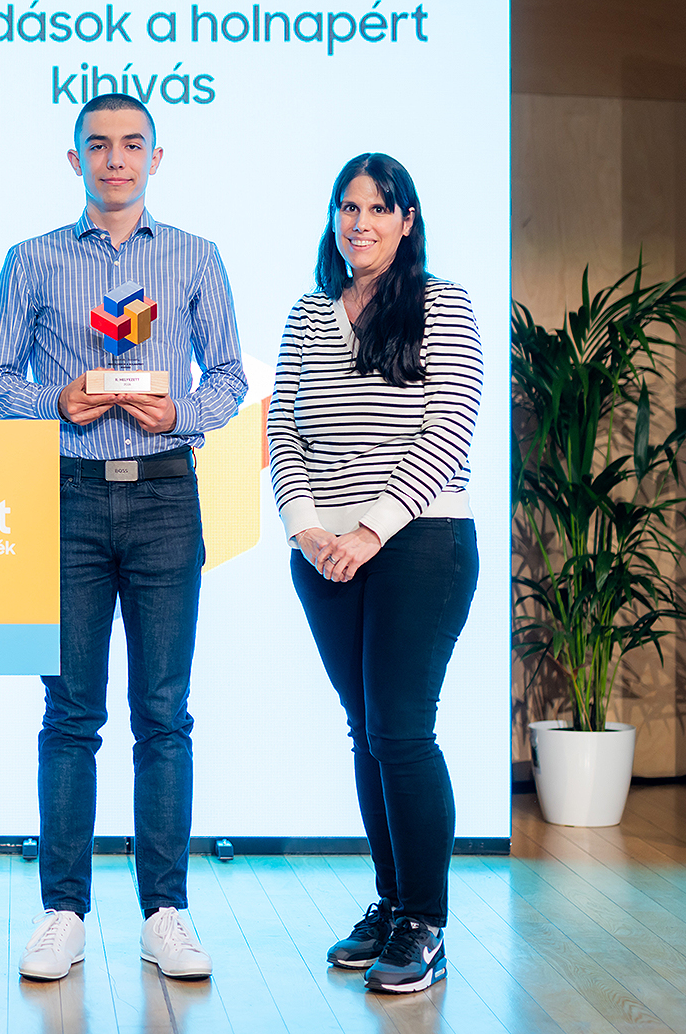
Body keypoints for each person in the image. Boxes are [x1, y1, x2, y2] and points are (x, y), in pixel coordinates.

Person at [0, 93, 246, 982]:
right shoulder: (32, 258)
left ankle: (165, 910)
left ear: (155, 159)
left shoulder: (195, 256)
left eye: (133, 144)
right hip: (68, 498)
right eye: (99, 145)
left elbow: (231, 374)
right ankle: (63, 910)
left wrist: (185, 413)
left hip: (167, 494)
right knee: (70, 712)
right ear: (75, 159)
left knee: (163, 713)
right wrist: (54, 401)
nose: (116, 159)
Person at [265, 152, 483, 994]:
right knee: (366, 730)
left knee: (402, 730)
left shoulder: (442, 303)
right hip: (324, 552)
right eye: (348, 207)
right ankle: (392, 904)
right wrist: (307, 528)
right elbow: (283, 431)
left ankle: (425, 922)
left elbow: (449, 429)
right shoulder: (308, 313)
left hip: (421, 540)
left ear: (407, 220)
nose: (360, 222)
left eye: (379, 208)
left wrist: (368, 530)